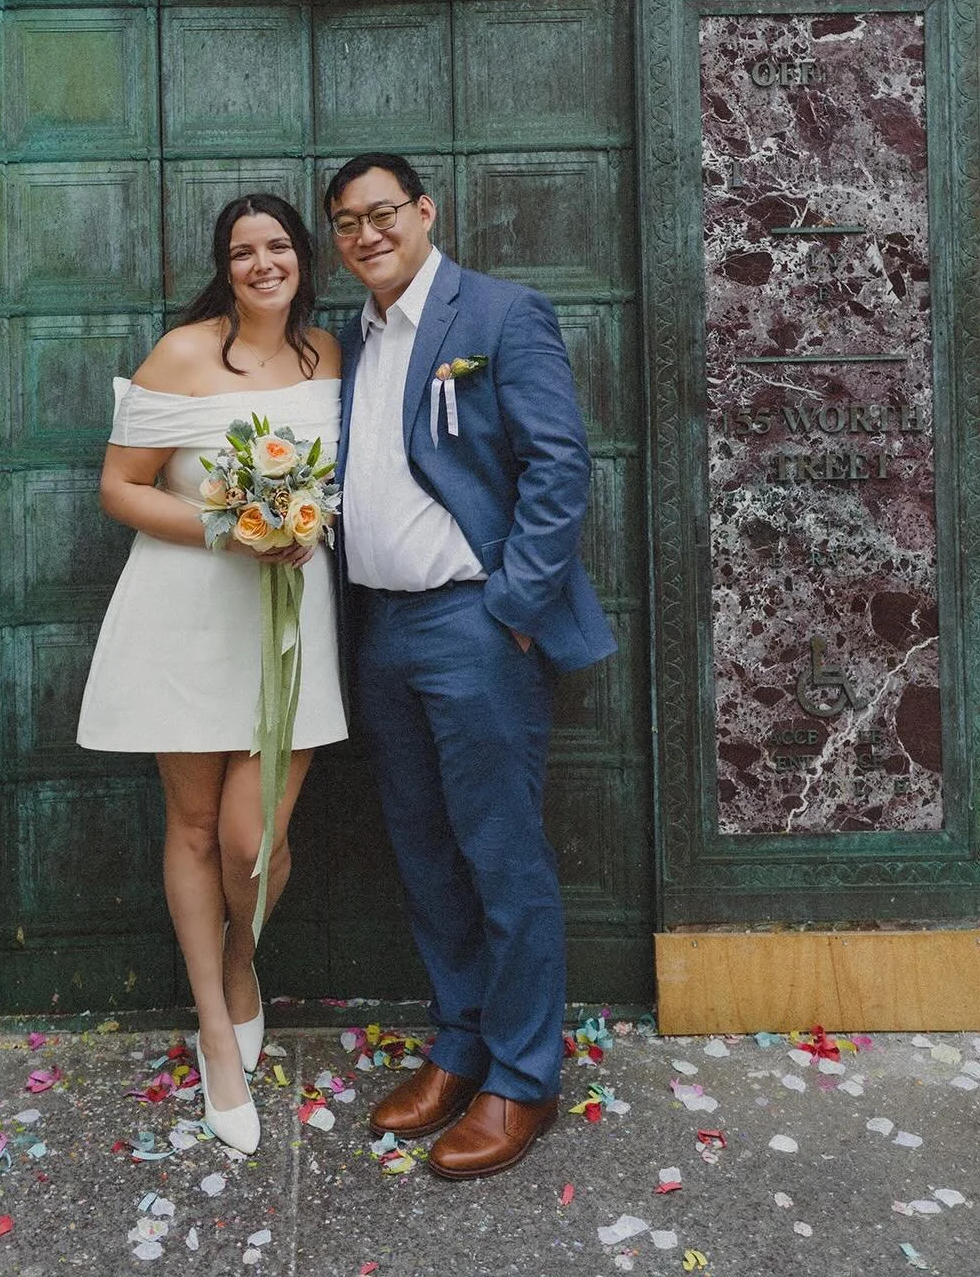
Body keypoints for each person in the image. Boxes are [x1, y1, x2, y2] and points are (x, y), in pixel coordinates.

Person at [327, 153, 616, 1181]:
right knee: (424, 850)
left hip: (474, 626)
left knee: (500, 853)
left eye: (383, 213)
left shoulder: (497, 315)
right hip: (383, 631)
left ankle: (526, 1077)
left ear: (424, 211)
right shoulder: (353, 342)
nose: (366, 235)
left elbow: (559, 463)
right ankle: (460, 1047)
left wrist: (514, 609)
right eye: (347, 224)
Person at [78, 194, 346, 1154]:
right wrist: (234, 526)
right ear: (224, 267)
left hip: (291, 624)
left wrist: (297, 525)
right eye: (243, 251)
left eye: (277, 246)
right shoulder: (185, 354)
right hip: (186, 615)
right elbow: (119, 487)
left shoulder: (329, 355)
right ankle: (216, 1027)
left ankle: (244, 957)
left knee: (251, 840)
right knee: (192, 827)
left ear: (302, 259)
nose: (262, 263)